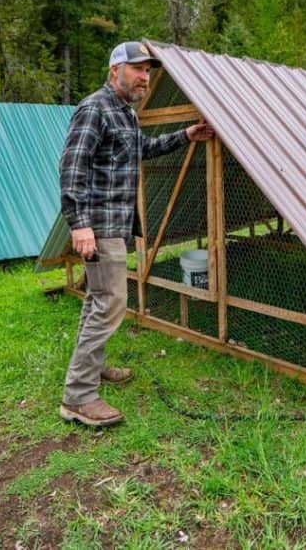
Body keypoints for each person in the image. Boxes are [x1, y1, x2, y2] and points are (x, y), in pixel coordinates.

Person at [58, 41, 214, 427]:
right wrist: (79, 224)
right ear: (115, 71)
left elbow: (141, 149)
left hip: (115, 224)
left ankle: (91, 371)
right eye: (138, 69)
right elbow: (71, 167)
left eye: (148, 71)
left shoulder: (125, 112)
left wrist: (185, 135)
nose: (145, 77)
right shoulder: (95, 108)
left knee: (97, 299)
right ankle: (78, 396)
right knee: (110, 304)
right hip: (100, 226)